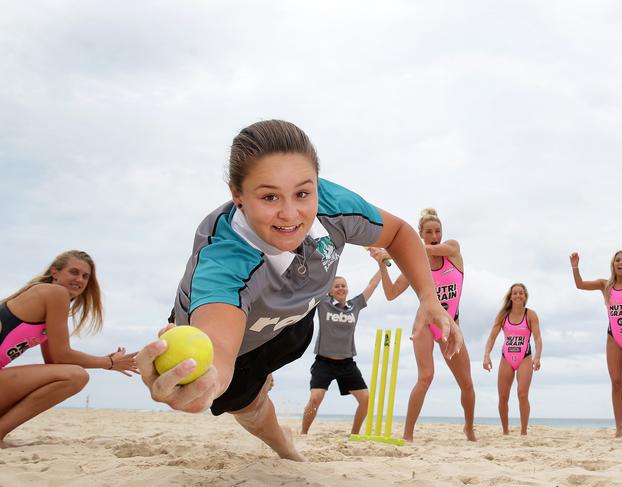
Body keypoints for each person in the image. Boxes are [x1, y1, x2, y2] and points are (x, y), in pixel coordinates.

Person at [135, 120, 463, 461]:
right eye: (269, 196)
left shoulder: (335, 205)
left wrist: (428, 297)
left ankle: (264, 380)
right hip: (241, 341)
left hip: (296, 322)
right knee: (242, 401)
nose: (290, 214)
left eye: (303, 193)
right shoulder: (224, 259)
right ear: (237, 194)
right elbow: (218, 346)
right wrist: (207, 381)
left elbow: (397, 233)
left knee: (292, 341)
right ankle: (285, 445)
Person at [0, 250, 138, 448]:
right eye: (74, 272)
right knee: (76, 376)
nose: (79, 279)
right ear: (55, 272)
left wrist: (107, 361)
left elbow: (55, 361)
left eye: (85, 276)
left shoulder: (48, 298)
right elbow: (61, 355)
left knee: (70, 374)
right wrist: (109, 363)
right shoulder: (55, 293)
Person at [369, 208, 475, 442]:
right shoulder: (415, 265)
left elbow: (431, 249)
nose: (434, 235)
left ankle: (469, 429)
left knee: (466, 383)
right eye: (429, 232)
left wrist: (390, 252)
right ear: (421, 235)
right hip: (426, 324)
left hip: (451, 326)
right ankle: (408, 434)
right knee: (425, 377)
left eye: (437, 230)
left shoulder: (453, 250)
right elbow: (391, 293)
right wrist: (382, 265)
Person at [571, 251, 622, 437]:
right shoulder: (605, 285)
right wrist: (575, 267)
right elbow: (580, 285)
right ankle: (619, 428)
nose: (621, 263)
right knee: (616, 383)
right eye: (618, 260)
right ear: (613, 264)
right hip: (613, 337)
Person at [300, 271, 381, 435]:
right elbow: (313, 282)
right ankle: (303, 433)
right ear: (330, 291)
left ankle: (354, 434)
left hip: (347, 364)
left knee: (365, 399)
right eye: (336, 286)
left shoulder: (355, 305)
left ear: (348, 289)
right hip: (324, 362)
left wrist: (382, 264)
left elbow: (372, 285)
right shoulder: (323, 303)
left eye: (343, 286)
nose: (341, 288)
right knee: (315, 398)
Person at [482, 283, 542, 435]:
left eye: (521, 293)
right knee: (503, 397)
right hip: (506, 358)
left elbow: (537, 338)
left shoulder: (531, 315)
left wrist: (537, 357)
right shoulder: (503, 316)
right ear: (510, 297)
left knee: (522, 394)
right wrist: (486, 355)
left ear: (525, 296)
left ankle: (523, 431)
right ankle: (505, 431)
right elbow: (491, 338)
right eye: (515, 293)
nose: (518, 296)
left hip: (524, 358)